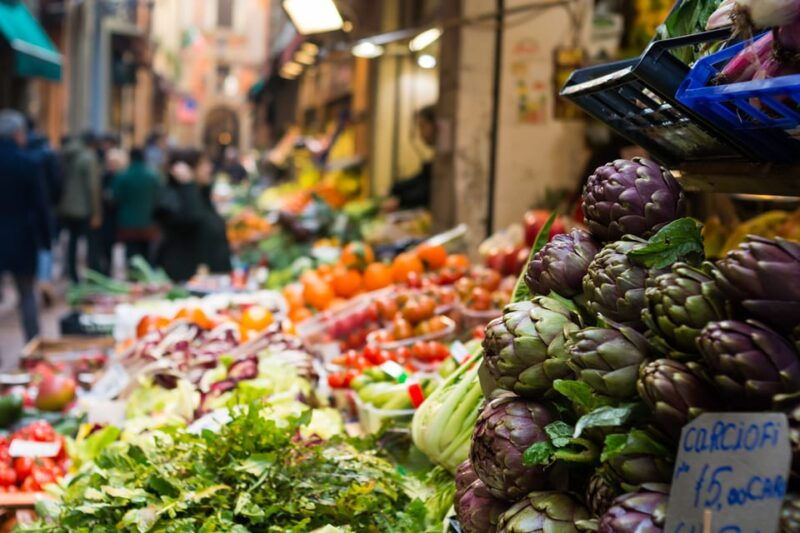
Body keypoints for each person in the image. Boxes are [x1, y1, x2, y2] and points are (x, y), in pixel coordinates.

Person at [0, 110, 52, 343]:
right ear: (17, 135)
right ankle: (33, 346)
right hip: (23, 237)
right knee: (26, 294)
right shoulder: (28, 163)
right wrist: (46, 240)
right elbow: (40, 205)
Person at [25, 119, 62, 304]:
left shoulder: (24, 152)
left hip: (23, 209)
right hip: (44, 205)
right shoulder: (47, 153)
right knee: (45, 244)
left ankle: (31, 281)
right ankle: (43, 279)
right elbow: (56, 183)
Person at [154, 150, 205, 282]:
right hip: (179, 268)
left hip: (195, 268)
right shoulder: (173, 194)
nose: (209, 168)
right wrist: (188, 184)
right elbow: (193, 218)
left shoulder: (197, 191)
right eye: (204, 164)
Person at [59, 131, 101, 283]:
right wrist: (96, 212)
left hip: (67, 205)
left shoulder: (66, 154)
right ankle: (91, 277)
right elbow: (92, 187)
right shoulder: (88, 157)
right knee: (90, 243)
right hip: (84, 207)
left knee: (72, 242)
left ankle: (72, 275)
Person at [112, 147, 160, 261]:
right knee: (146, 255)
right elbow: (159, 197)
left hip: (128, 222)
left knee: (131, 254)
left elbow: (115, 197)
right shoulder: (153, 176)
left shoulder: (123, 176)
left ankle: (131, 276)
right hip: (148, 222)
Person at [386, 105, 437, 211]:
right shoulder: (437, 157)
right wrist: (395, 188)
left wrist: (401, 201)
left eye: (422, 126)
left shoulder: (445, 161)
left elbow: (427, 191)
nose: (420, 133)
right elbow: (421, 179)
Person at [90, 145, 126, 275]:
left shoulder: (121, 178)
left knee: (113, 246)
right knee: (104, 246)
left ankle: (108, 271)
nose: (111, 165)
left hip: (116, 217)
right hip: (106, 217)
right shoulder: (104, 176)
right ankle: (104, 270)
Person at [195, 154, 232, 274]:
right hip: (202, 277)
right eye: (204, 164)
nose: (210, 168)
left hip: (217, 273)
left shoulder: (204, 194)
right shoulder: (189, 199)